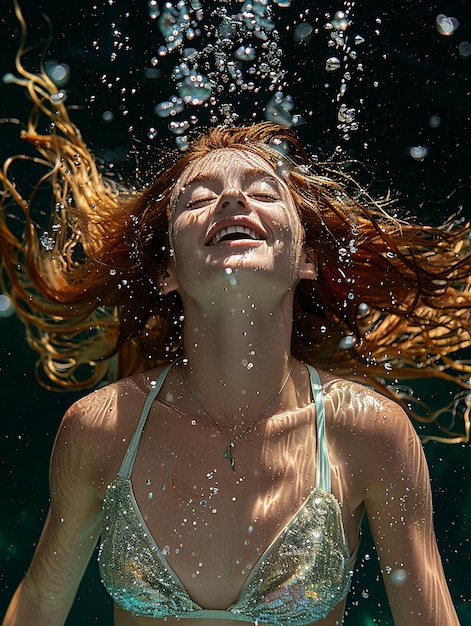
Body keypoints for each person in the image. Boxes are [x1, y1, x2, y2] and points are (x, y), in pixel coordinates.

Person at [1, 11, 470, 626]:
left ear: (304, 260)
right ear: (168, 271)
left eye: (265, 191)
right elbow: (38, 601)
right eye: (198, 198)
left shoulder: (370, 433)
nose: (232, 198)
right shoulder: (104, 430)